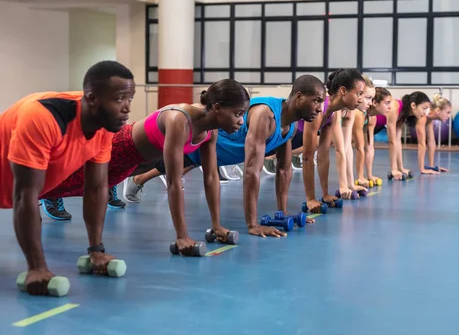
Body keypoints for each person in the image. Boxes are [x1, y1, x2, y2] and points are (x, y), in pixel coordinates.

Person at [40, 79, 250, 253]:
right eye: (238, 114)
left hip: (133, 165)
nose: (241, 122)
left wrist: (217, 226)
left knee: (84, 188)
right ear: (217, 108)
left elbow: (211, 177)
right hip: (117, 148)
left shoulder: (210, 131)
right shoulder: (180, 120)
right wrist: (182, 237)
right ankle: (31, 194)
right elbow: (174, 182)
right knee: (66, 180)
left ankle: (49, 192)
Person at [127, 74, 327, 238]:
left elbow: (283, 170)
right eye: (317, 101)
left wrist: (282, 213)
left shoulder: (290, 128)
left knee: (168, 167)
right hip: (200, 143)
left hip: (216, 154)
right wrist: (253, 224)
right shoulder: (265, 114)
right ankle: (133, 178)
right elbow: (251, 171)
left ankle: (135, 179)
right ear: (299, 97)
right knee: (138, 162)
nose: (320, 108)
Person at [0, 60, 135, 296]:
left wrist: (96, 250)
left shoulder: (104, 127)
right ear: (92, 98)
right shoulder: (42, 118)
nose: (127, 108)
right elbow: (25, 195)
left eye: (129, 99)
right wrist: (37, 268)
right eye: (119, 99)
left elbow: (95, 187)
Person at [302, 69, 366, 213]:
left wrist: (325, 195)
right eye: (359, 94)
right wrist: (311, 199)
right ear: (343, 91)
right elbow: (307, 157)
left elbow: (323, 155)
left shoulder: (333, 113)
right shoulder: (320, 107)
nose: (361, 99)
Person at [379, 91, 432, 180]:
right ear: (413, 105)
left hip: (377, 125)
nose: (425, 112)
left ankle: (399, 167)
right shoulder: (395, 107)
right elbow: (391, 141)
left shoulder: (403, 115)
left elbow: (397, 140)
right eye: (424, 108)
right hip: (368, 122)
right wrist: (394, 169)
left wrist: (401, 168)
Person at [340, 75, 375, 193]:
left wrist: (350, 185)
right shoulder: (337, 109)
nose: (370, 103)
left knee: (341, 143)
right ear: (359, 94)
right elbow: (339, 150)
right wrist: (343, 186)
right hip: (297, 131)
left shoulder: (351, 111)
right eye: (368, 98)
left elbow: (347, 148)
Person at [354, 87, 393, 187]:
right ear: (375, 103)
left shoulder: (372, 118)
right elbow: (358, 148)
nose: (390, 107)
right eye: (387, 103)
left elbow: (369, 146)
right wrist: (360, 177)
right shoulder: (359, 113)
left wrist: (369, 175)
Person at [414, 93, 452, 175]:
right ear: (438, 110)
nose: (449, 116)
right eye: (448, 112)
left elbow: (431, 141)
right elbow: (421, 143)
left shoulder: (429, 117)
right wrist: (422, 169)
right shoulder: (423, 116)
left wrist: (432, 167)